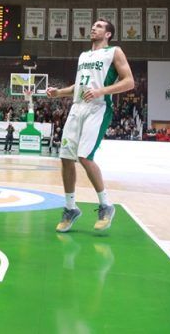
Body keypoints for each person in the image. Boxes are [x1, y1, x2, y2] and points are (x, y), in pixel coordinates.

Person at [46, 18, 134, 233]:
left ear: (108, 34)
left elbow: (129, 82)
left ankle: (106, 205)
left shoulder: (114, 52)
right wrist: (59, 92)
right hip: (77, 108)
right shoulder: (84, 56)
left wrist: (100, 91)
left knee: (85, 157)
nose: (94, 28)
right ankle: (70, 208)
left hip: (98, 107)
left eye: (99, 26)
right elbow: (79, 86)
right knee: (66, 157)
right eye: (94, 25)